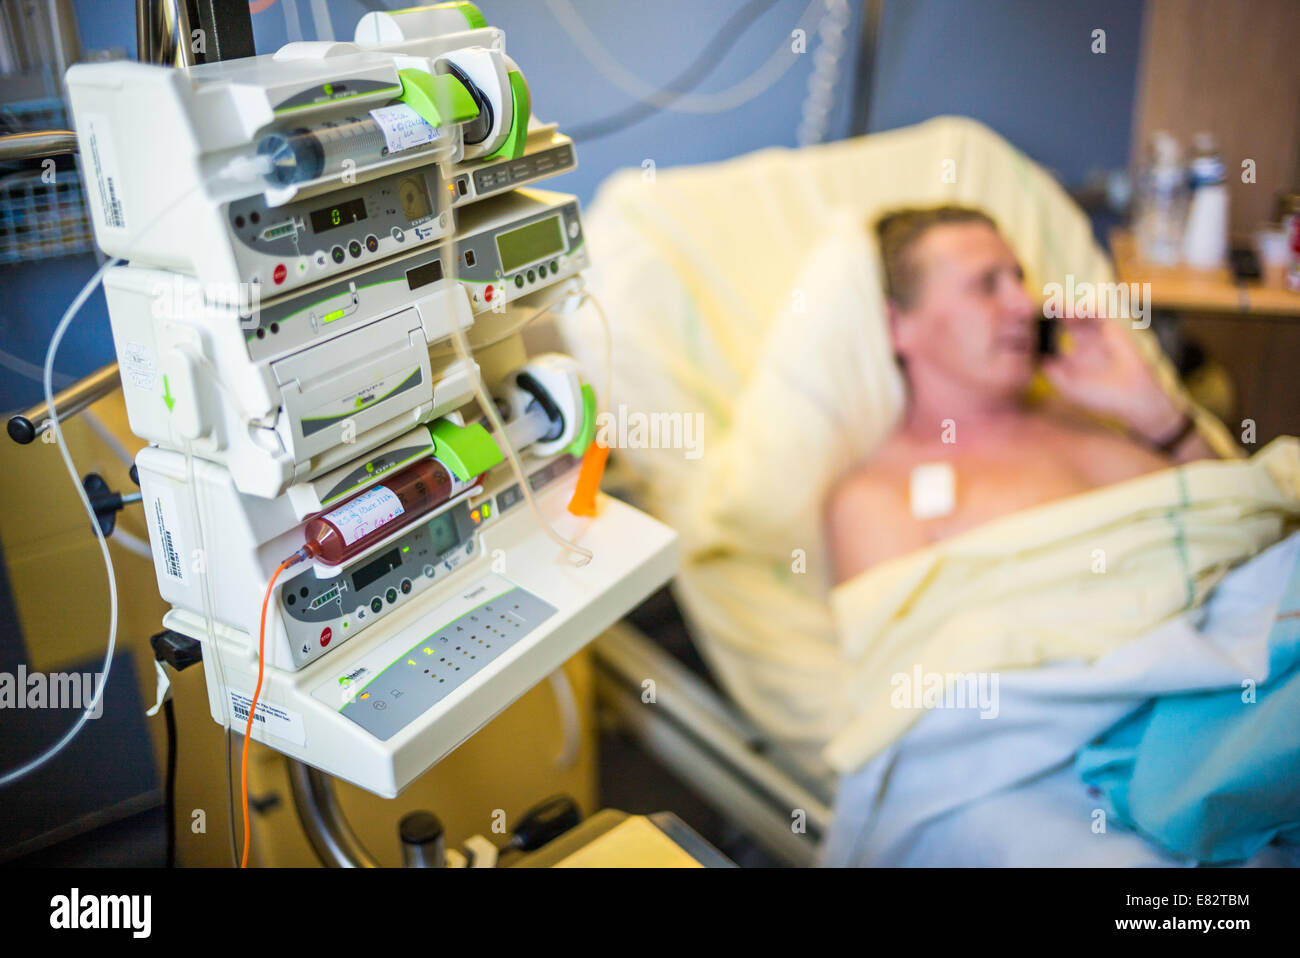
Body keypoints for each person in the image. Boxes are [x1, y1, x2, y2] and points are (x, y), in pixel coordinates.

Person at [826, 206, 1219, 583]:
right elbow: (915, 647)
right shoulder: (879, 501)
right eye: (986, 285)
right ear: (897, 325)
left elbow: (1236, 514)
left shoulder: (1093, 421)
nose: (1024, 304)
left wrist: (1157, 412)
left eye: (1019, 279)